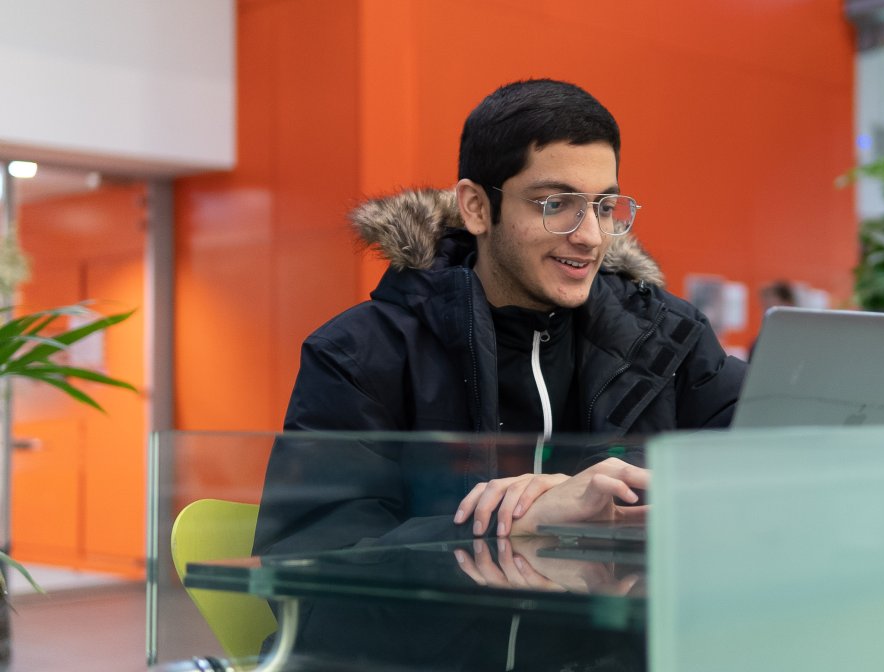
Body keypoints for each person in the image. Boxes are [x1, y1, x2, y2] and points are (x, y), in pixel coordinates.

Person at [249, 79, 746, 668]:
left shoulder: (668, 339)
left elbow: (762, 489)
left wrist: (629, 492)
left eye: (605, 206)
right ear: (477, 207)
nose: (589, 236)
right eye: (555, 204)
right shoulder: (361, 354)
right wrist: (517, 527)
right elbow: (307, 587)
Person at [749, 280, 798, 361]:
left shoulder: (799, 341)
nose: (765, 314)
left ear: (788, 304)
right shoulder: (759, 343)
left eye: (770, 308)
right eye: (764, 308)